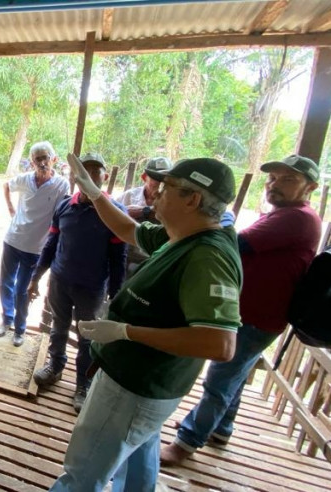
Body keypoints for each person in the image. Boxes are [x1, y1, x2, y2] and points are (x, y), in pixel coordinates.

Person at [48, 154, 242, 492]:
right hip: (146, 384)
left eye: (167, 188)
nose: (156, 193)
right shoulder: (182, 234)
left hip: (136, 385)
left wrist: (126, 332)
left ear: (193, 199)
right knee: (137, 454)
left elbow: (220, 344)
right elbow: (127, 229)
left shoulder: (208, 257)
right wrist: (96, 195)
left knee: (84, 468)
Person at [160, 154, 322, 465]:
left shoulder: (297, 218)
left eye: (288, 179)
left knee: (220, 380)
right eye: (273, 178)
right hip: (260, 314)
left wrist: (224, 220)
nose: (275, 185)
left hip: (257, 317)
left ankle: (186, 443)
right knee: (234, 375)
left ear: (310, 187)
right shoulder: (285, 214)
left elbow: (237, 244)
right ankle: (222, 428)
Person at [27, 152, 126, 412]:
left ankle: (84, 383)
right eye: (84, 170)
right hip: (60, 281)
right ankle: (55, 366)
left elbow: (119, 258)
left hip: (92, 288)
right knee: (58, 327)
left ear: (104, 177)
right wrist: (36, 277)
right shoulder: (64, 206)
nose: (90, 176)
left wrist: (115, 295)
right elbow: (51, 245)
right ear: (74, 175)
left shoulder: (114, 212)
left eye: (96, 172)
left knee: (87, 337)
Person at [0, 141, 69, 347]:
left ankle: (20, 329)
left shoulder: (61, 184)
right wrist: (11, 208)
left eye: (45, 157)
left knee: (23, 290)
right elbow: (6, 186)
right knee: (5, 283)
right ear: (32, 162)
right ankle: (6, 319)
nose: (42, 162)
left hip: (36, 247)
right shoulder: (25, 179)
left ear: (53, 159)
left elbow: (59, 215)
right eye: (38, 159)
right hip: (13, 240)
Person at [118, 157, 171, 276]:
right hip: (125, 259)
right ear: (144, 177)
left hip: (154, 264)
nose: (160, 184)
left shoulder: (173, 203)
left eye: (165, 180)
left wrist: (145, 211)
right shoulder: (128, 196)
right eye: (156, 178)